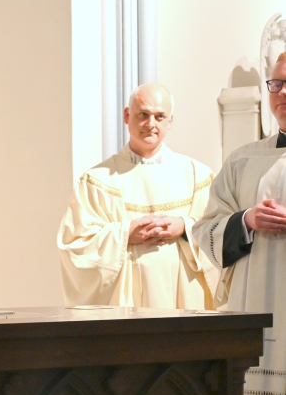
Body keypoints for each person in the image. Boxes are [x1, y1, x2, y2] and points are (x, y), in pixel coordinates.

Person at [194, 52, 286, 395]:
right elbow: (204, 229)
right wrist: (245, 221)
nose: (283, 94)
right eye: (276, 84)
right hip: (263, 343)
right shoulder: (244, 160)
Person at [58, 83, 217, 308]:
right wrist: (124, 234)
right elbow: (75, 245)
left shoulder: (197, 176)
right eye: (143, 114)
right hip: (125, 305)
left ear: (170, 120)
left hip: (183, 302)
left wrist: (184, 227)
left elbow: (219, 233)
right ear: (127, 115)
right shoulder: (98, 180)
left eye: (160, 116)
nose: (150, 124)